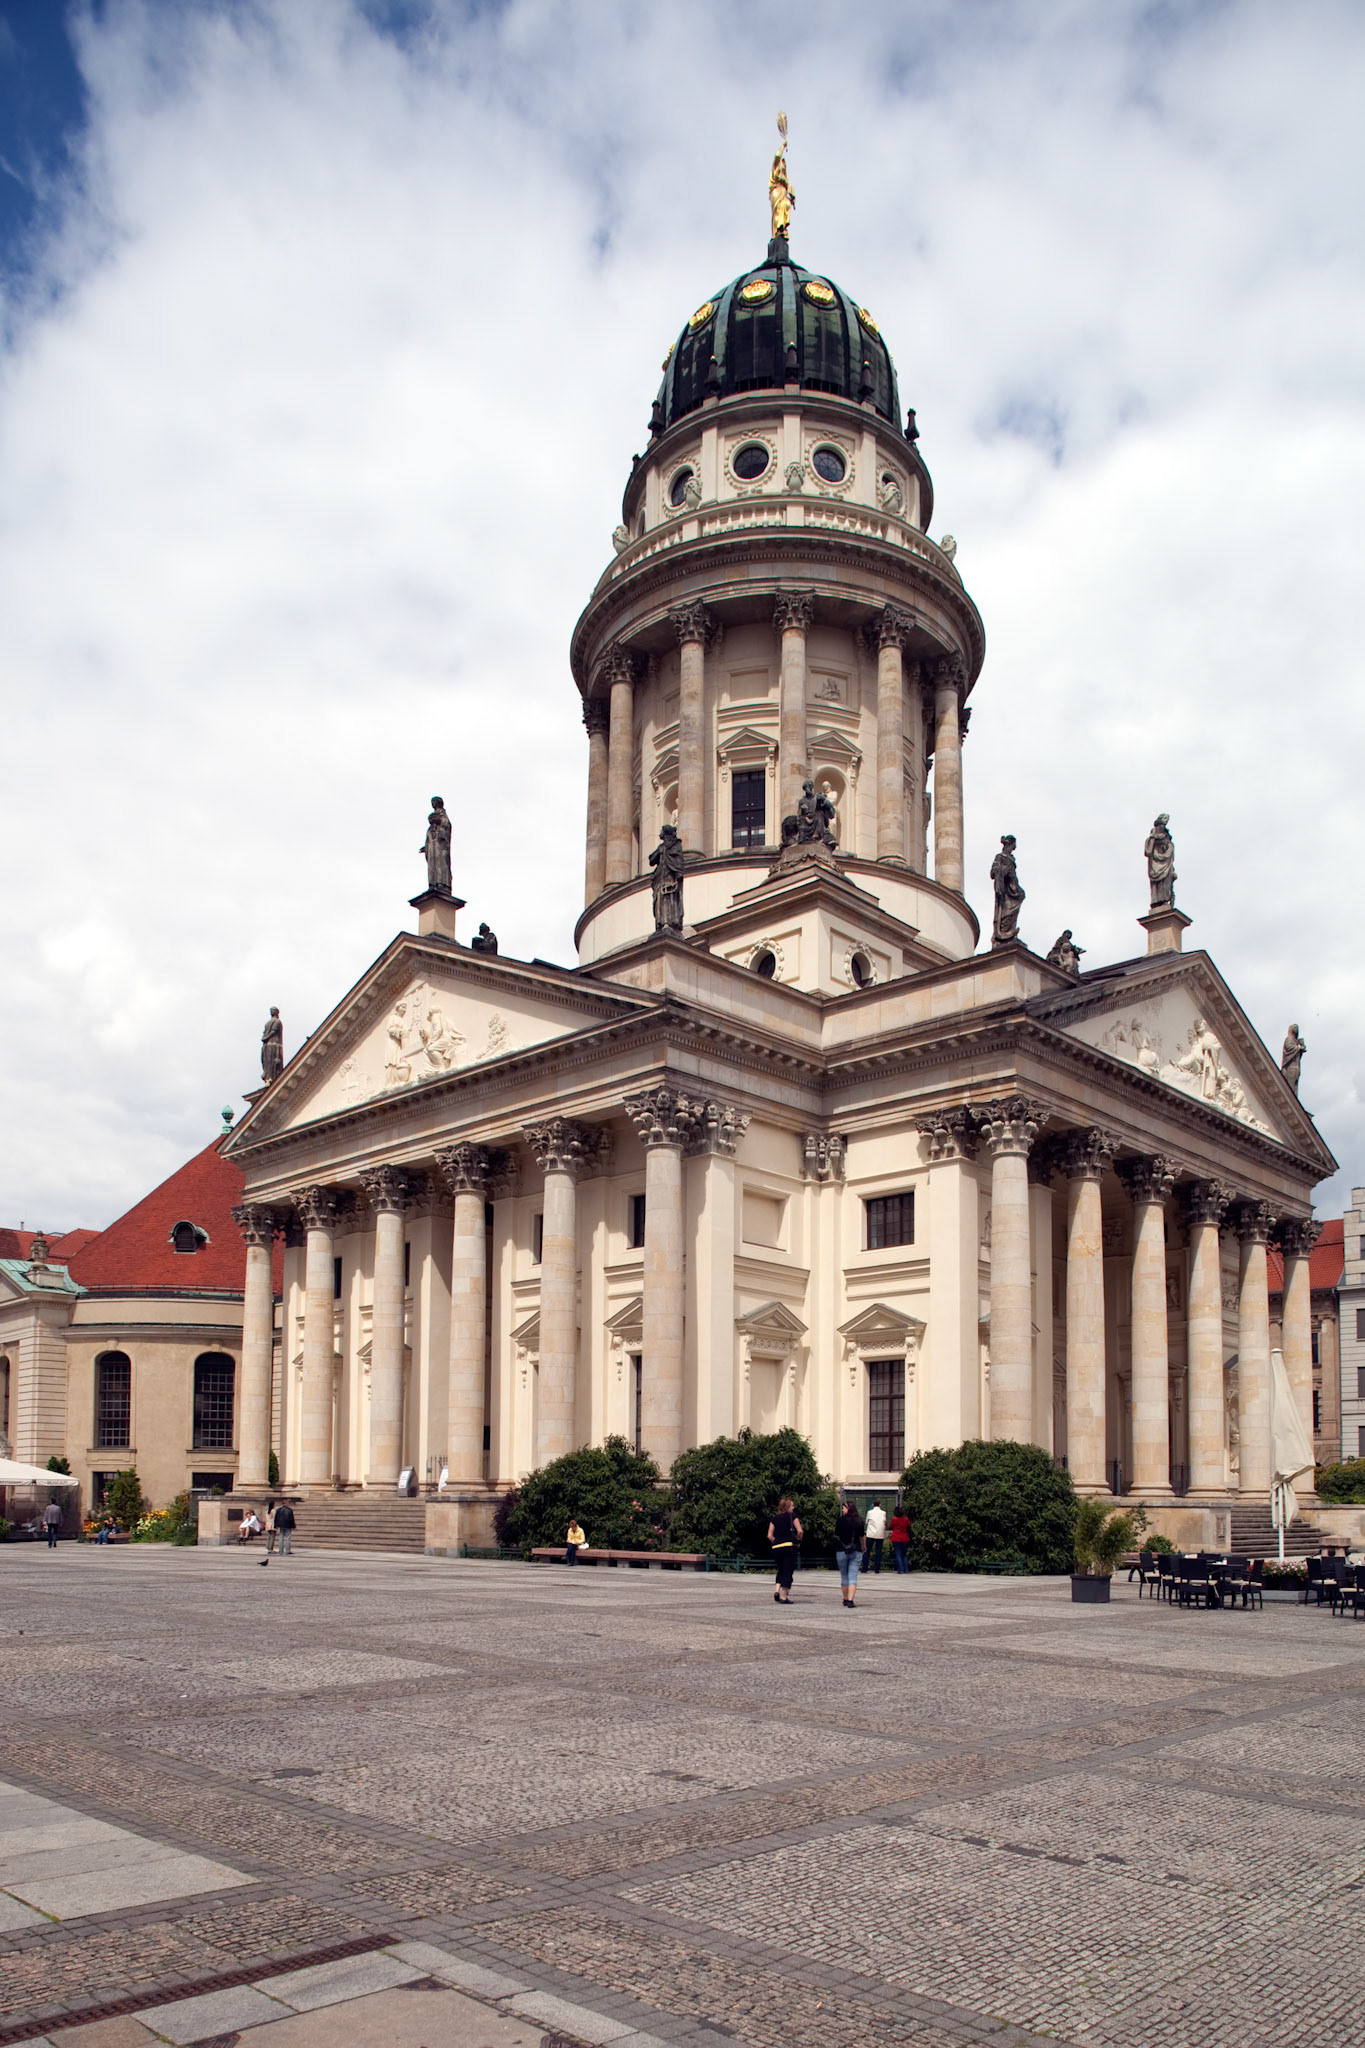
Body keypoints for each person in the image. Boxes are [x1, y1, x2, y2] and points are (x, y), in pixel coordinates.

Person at [767, 1496, 803, 1604]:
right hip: (788, 1546)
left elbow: (769, 1535)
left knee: (781, 1569)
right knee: (788, 1571)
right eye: (792, 1505)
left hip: (776, 1547)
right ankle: (783, 1596)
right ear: (787, 1507)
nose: (793, 1507)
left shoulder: (774, 1518)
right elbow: (800, 1531)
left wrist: (776, 1542)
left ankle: (776, 1591)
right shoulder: (793, 1517)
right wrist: (798, 1541)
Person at [834, 1498, 865, 1609]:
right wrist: (863, 1546)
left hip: (841, 1550)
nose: (842, 1510)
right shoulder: (859, 1521)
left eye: (843, 1507)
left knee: (844, 1575)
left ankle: (845, 1599)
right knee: (853, 1576)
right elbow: (862, 1536)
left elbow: (837, 1534)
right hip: (856, 1550)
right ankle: (851, 1600)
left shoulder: (840, 1520)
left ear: (848, 1508)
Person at [262, 1498, 294, 1564]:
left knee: (280, 1537)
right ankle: (287, 1550)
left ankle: (280, 1551)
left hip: (279, 1525)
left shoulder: (278, 1510)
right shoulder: (289, 1510)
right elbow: (291, 1518)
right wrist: (293, 1526)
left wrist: (277, 1525)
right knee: (287, 1538)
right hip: (287, 1525)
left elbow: (277, 1518)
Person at [863, 1498, 887, 1574]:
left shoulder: (870, 1512)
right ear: (880, 1505)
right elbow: (884, 1521)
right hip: (880, 1534)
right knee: (878, 1552)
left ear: (873, 1505)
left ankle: (865, 1568)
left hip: (871, 1534)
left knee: (867, 1551)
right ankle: (877, 1569)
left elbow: (867, 1522)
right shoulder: (883, 1513)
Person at [890, 1504, 912, 1574]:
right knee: (904, 1554)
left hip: (896, 1538)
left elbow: (890, 1527)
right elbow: (909, 1526)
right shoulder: (906, 1519)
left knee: (898, 1554)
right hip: (905, 1538)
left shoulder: (894, 1519)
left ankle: (900, 1569)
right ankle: (906, 1569)